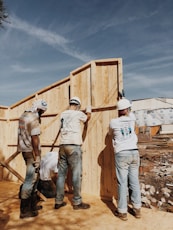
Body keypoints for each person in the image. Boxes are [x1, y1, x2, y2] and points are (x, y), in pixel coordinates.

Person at [54, 96, 91, 210]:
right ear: (78, 106)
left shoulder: (63, 114)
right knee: (76, 174)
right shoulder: (78, 113)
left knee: (61, 175)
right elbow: (87, 118)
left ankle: (58, 201)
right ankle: (77, 202)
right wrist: (89, 110)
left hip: (62, 146)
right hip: (74, 146)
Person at [109, 98, 141, 221]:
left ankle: (122, 211)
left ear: (118, 111)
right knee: (134, 181)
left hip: (122, 153)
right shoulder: (132, 119)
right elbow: (130, 113)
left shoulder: (113, 122)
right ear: (127, 109)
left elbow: (110, 133)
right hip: (134, 152)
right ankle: (137, 209)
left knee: (122, 182)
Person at [17, 99, 48, 219]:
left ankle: (32, 205)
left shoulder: (23, 115)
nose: (42, 114)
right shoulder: (34, 119)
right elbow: (35, 138)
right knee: (30, 179)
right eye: (42, 111)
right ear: (39, 109)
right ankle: (24, 211)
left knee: (35, 178)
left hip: (24, 150)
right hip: (31, 152)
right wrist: (38, 156)